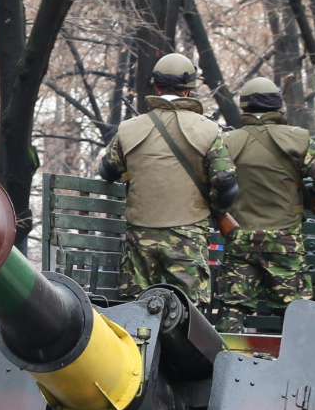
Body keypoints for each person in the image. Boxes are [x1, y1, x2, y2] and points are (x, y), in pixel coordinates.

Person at [100, 52, 239, 307]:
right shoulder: (208, 129)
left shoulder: (129, 128)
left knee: (136, 309)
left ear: (156, 87)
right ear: (188, 90)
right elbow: (225, 180)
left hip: (139, 235)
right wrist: (216, 209)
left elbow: (107, 170)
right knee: (188, 311)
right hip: (188, 234)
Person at [215, 77, 315, 324]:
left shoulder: (227, 141)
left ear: (244, 106)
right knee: (295, 313)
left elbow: (217, 183)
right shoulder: (298, 139)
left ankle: (228, 348)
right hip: (285, 239)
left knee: (234, 307)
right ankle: (294, 351)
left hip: (241, 238)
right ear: (278, 105)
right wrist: (307, 194)